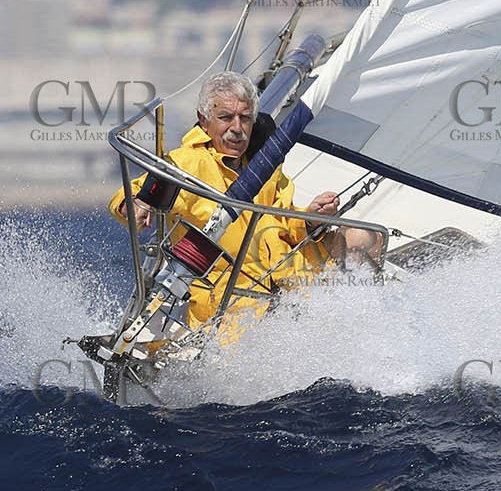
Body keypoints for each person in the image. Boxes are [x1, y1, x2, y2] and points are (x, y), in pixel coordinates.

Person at [108, 71, 385, 331]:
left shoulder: (264, 163)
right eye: (226, 117)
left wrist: (310, 217)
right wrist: (135, 204)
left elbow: (285, 221)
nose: (237, 129)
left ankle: (361, 325)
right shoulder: (188, 163)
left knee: (366, 236)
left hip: (289, 273)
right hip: (234, 296)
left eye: (245, 118)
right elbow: (134, 195)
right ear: (204, 121)